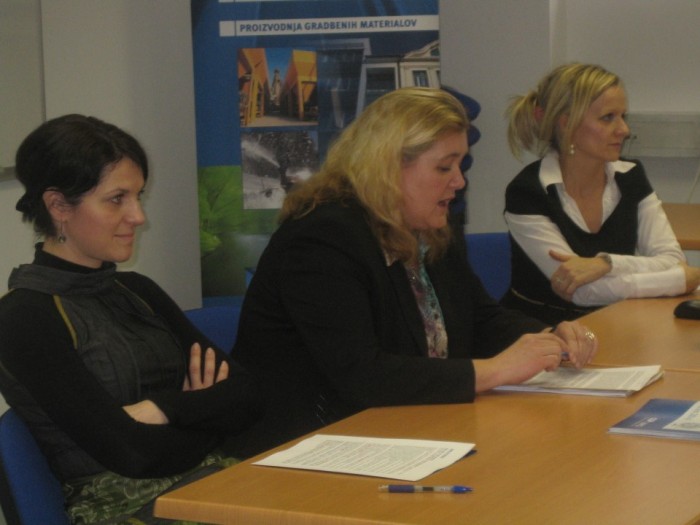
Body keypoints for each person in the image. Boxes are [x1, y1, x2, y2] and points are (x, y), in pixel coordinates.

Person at [229, 87, 598, 459]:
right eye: (444, 167)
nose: (459, 181)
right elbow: (363, 375)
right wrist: (494, 371)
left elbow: (481, 319)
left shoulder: (428, 227)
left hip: (410, 430)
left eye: (460, 165)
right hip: (306, 448)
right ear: (387, 168)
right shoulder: (322, 238)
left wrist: (547, 338)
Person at [0, 115, 262, 524]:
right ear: (58, 206)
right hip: (121, 507)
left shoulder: (137, 290)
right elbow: (132, 454)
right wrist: (206, 412)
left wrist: (162, 408)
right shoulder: (24, 317)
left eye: (138, 196)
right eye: (117, 198)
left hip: (210, 480)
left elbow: (248, 396)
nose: (138, 216)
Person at [502, 63, 700, 325]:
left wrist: (606, 264)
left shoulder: (630, 176)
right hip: (544, 333)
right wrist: (679, 280)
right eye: (608, 118)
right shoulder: (527, 192)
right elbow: (581, 291)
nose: (624, 130)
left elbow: (672, 259)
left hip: (616, 322)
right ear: (566, 124)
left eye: (623, 116)